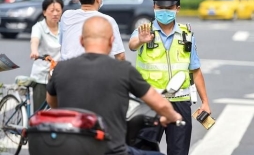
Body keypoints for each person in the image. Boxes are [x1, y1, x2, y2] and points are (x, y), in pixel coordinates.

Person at [46, 16, 182, 155]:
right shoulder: (123, 69)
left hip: (70, 149)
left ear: (81, 41)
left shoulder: (61, 69)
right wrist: (173, 117)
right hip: (112, 151)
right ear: (111, 41)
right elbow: (160, 104)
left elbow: (52, 102)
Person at [128, 0, 211, 155]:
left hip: (180, 102)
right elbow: (132, 45)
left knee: (179, 152)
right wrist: (141, 41)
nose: (164, 11)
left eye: (169, 7)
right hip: (150, 102)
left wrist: (205, 102)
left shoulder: (187, 35)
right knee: (141, 150)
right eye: (160, 7)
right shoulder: (144, 31)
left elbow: (195, 70)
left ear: (177, 8)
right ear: (154, 7)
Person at [59, 0, 125, 61]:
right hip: (95, 70)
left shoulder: (66, 16)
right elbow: (120, 56)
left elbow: (61, 45)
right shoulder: (107, 21)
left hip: (66, 70)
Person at [29, 0, 64, 112]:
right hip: (41, 76)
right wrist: (34, 51)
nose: (55, 14)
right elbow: (35, 40)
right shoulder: (38, 27)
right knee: (39, 112)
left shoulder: (65, 29)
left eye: (58, 11)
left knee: (58, 110)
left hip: (58, 75)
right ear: (44, 12)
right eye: (51, 10)